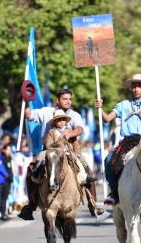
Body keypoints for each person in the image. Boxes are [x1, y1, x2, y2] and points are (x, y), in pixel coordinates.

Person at [19, 88, 105, 220]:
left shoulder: (74, 115)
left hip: (70, 151)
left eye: (70, 99)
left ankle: (93, 204)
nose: (68, 101)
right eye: (65, 99)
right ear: (57, 101)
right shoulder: (46, 112)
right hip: (49, 151)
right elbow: (28, 114)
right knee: (31, 168)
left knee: (88, 171)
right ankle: (31, 205)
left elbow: (80, 128)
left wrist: (70, 133)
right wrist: (26, 100)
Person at [94, 73, 141, 205]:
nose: (136, 89)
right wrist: (100, 109)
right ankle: (115, 192)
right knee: (108, 160)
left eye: (139, 87)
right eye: (134, 86)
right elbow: (107, 118)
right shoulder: (124, 105)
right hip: (128, 142)